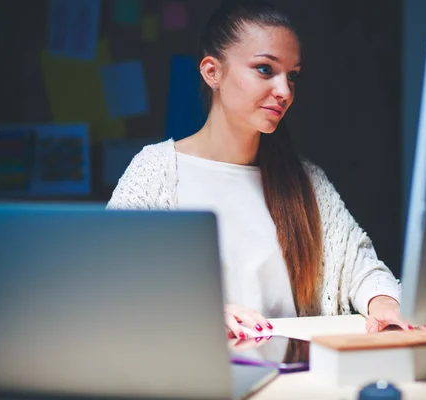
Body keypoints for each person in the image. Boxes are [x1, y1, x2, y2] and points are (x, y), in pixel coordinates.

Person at [107, 0, 410, 338]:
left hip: (295, 377)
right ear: (212, 72)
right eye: (265, 69)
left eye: (292, 76)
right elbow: (109, 281)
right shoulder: (155, 172)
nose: (284, 92)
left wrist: (385, 305)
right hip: (197, 373)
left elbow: (361, 267)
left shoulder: (304, 179)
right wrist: (196, 313)